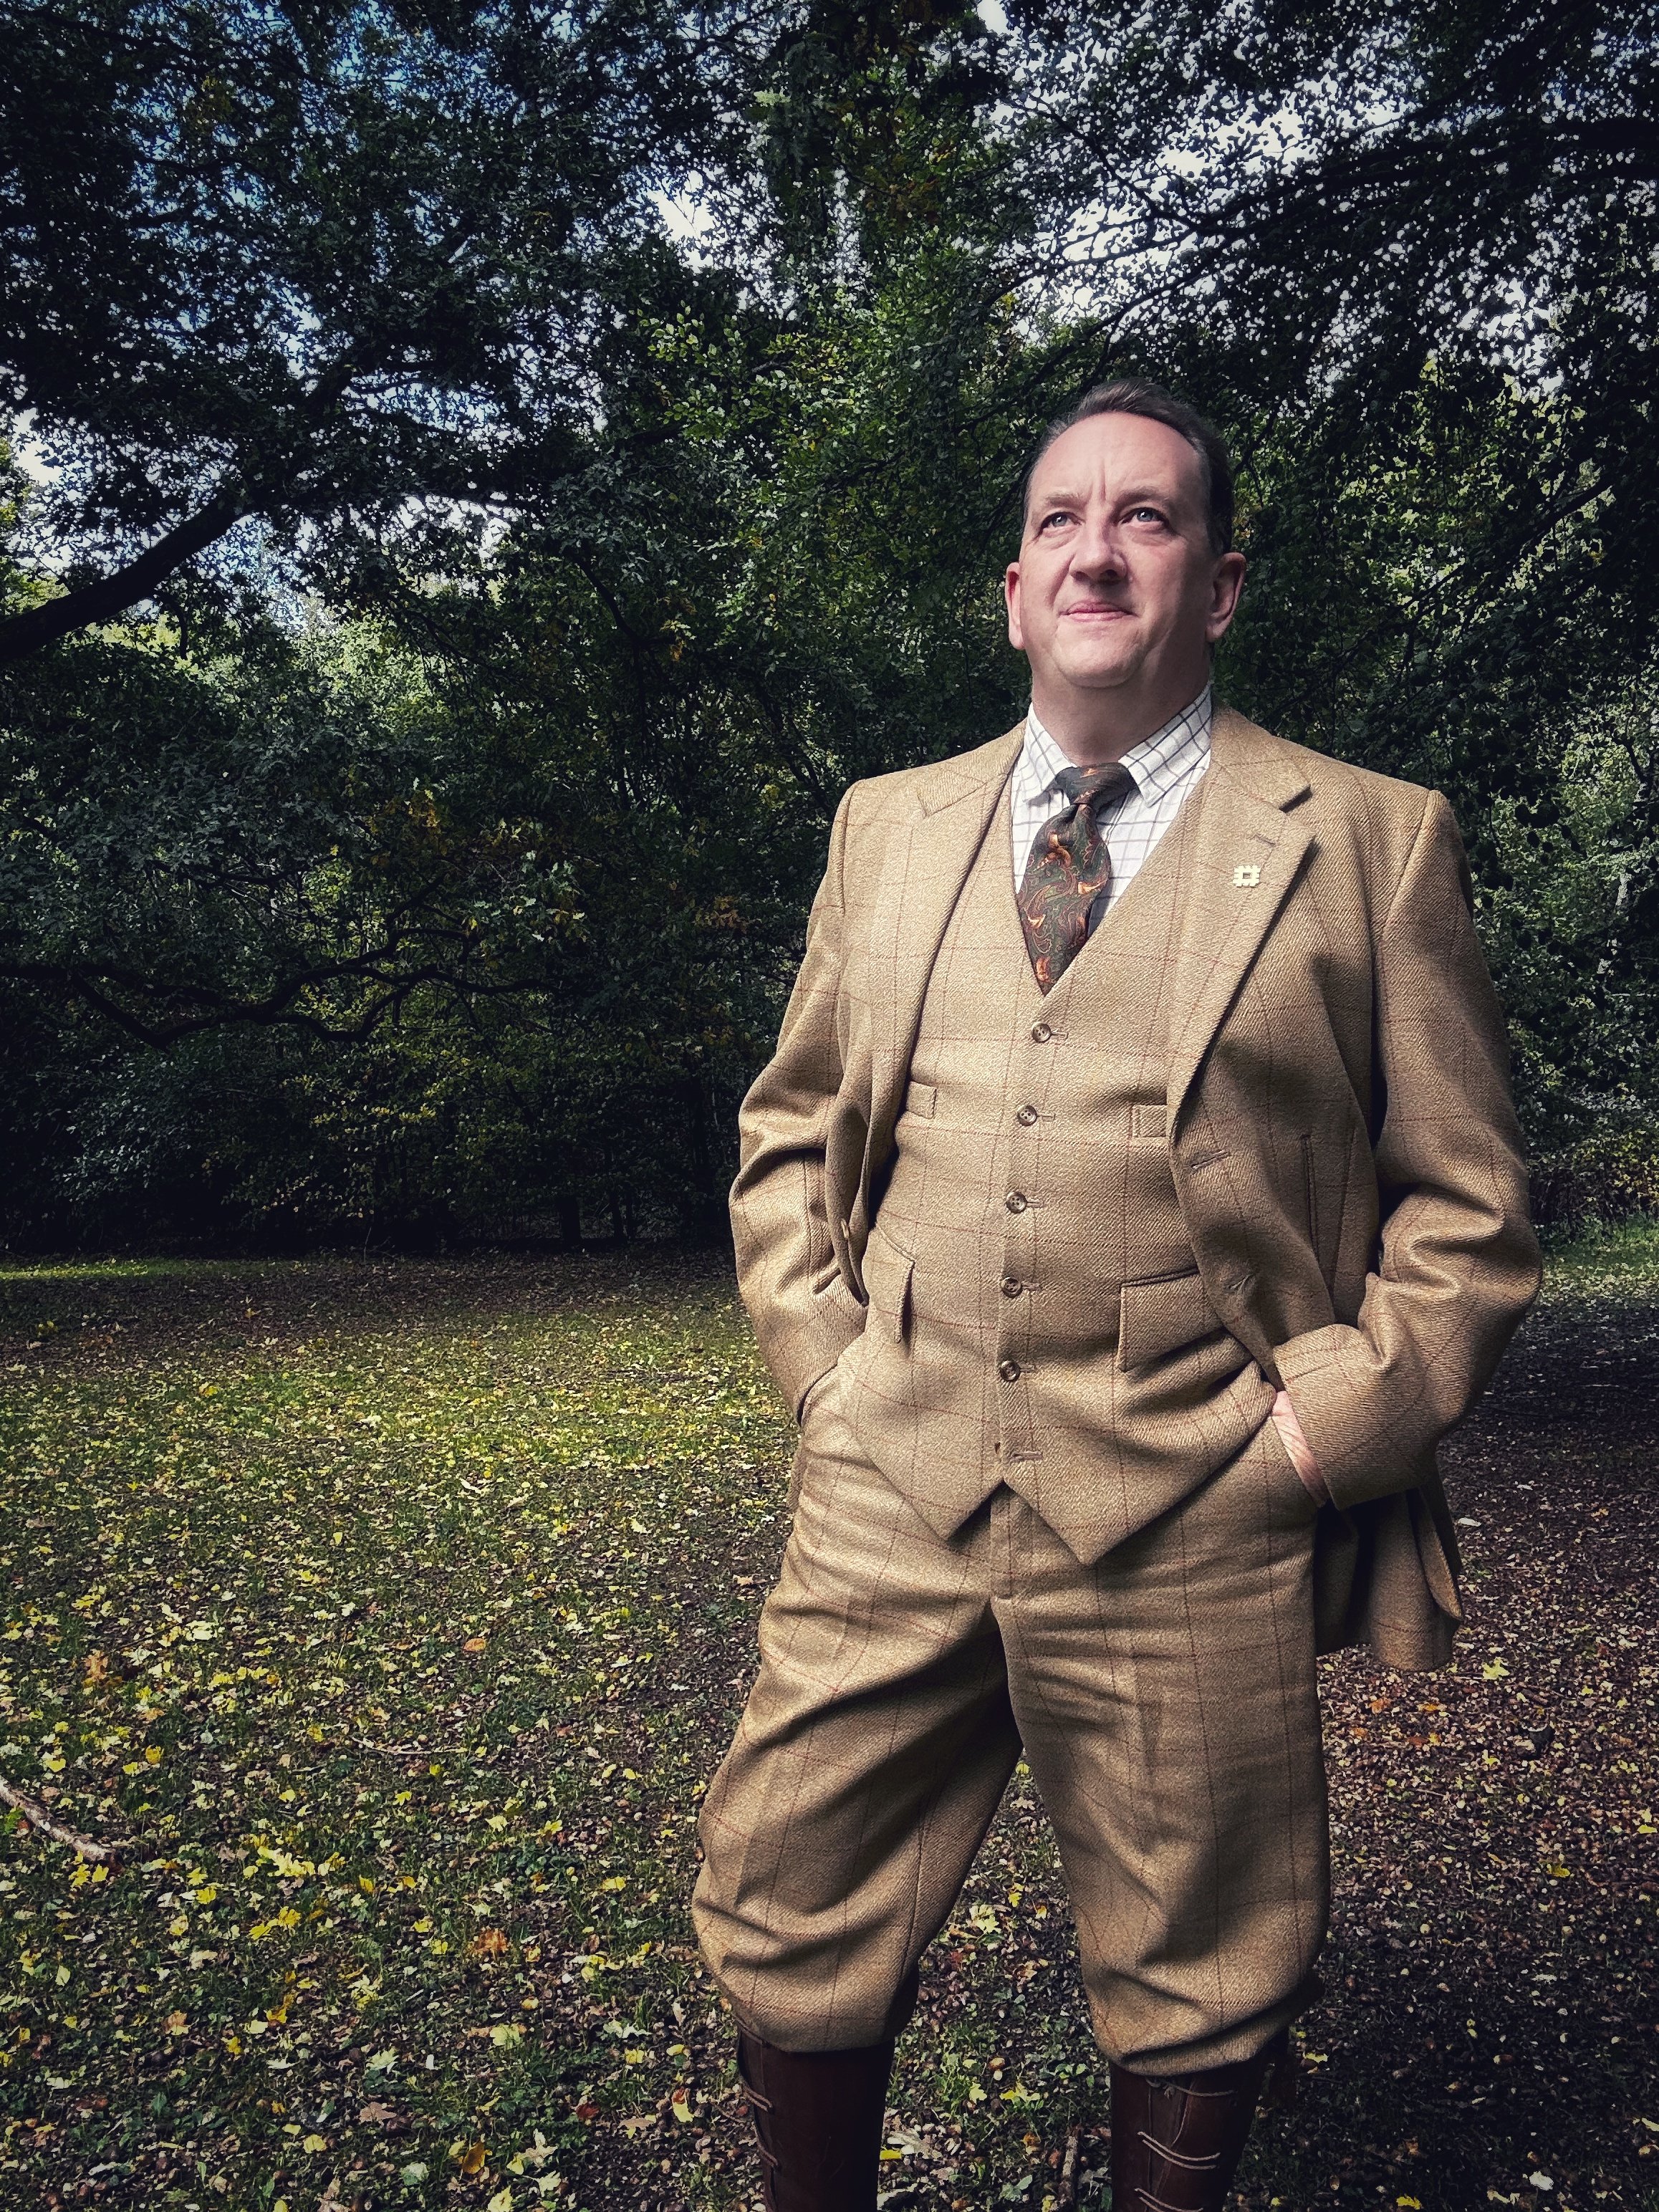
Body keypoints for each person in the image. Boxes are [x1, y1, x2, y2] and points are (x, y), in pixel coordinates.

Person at [691, 378, 1540, 2211]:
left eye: (1146, 517)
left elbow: (1469, 1205)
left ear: (1217, 584)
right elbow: (787, 1131)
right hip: (890, 1479)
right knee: (784, 1896)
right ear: (1014, 586)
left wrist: (1323, 1436)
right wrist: (825, 1369)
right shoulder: (887, 826)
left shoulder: (1370, 839)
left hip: (1193, 1494)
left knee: (1203, 1956)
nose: (1099, 546)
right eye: (1064, 517)